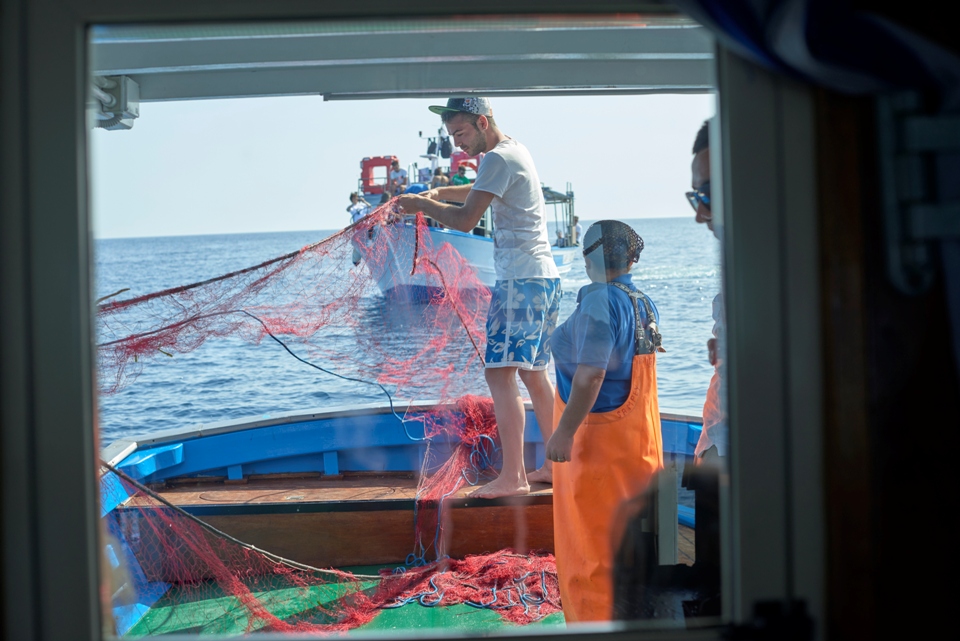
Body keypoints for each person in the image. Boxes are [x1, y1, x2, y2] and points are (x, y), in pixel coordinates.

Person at [397, 96, 561, 498]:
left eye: (461, 133)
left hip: (520, 283)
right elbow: (475, 191)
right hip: (543, 281)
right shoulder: (513, 150)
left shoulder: (496, 159)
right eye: (452, 135)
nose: (457, 144)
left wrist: (421, 203)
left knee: (499, 373)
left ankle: (514, 478)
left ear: (483, 122)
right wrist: (440, 191)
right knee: (535, 375)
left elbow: (467, 220)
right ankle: (558, 469)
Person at [545, 220, 664, 622]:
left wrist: (564, 432)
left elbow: (592, 373)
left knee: (594, 551)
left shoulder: (599, 300)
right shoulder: (643, 302)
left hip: (599, 453)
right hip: (640, 450)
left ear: (589, 258)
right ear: (631, 257)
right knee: (636, 546)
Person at [347, 192, 372, 266]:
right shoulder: (352, 207)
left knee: (367, 237)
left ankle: (369, 250)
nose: (356, 199)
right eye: (354, 198)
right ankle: (356, 260)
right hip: (358, 227)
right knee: (358, 242)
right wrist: (352, 203)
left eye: (356, 197)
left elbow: (369, 206)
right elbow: (347, 209)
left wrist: (363, 200)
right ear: (352, 199)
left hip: (365, 225)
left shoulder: (362, 205)